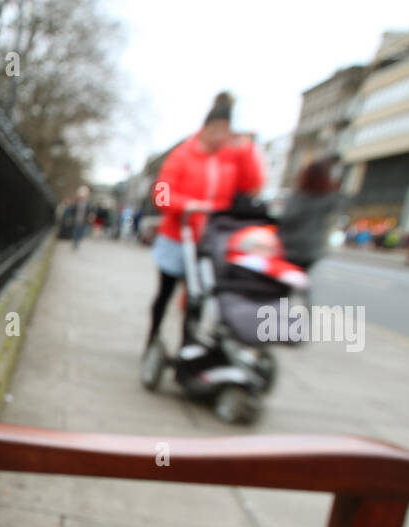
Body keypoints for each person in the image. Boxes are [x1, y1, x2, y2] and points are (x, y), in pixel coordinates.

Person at [147, 92, 263, 351]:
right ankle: (153, 337)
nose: (222, 138)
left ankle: (187, 347)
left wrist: (246, 151)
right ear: (207, 129)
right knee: (165, 293)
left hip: (210, 240)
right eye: (218, 131)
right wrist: (189, 205)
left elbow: (253, 186)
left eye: (227, 132)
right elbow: (162, 193)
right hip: (178, 236)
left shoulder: (230, 157)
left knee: (197, 298)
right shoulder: (182, 155)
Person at [279, 156, 344, 271]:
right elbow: (338, 207)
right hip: (314, 248)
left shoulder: (300, 196)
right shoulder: (329, 198)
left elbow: (288, 218)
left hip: (292, 246)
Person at [71, 185, 90, 249]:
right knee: (75, 232)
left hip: (83, 221)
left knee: (80, 233)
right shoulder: (76, 203)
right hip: (76, 220)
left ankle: (77, 243)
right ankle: (75, 243)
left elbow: (88, 212)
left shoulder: (87, 204)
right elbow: (72, 210)